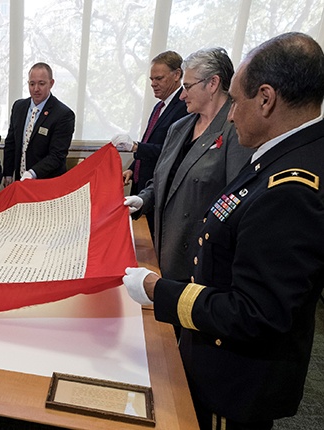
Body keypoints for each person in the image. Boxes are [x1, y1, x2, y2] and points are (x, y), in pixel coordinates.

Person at [123, 32, 324, 430]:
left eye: (238, 100)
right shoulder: (281, 154)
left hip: (236, 373)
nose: (231, 115)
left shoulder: (292, 186)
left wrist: (158, 290)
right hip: (208, 319)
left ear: (266, 99)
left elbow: (255, 312)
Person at [124, 48, 253, 283]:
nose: (182, 95)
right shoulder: (179, 127)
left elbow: (237, 204)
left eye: (188, 86)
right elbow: (163, 178)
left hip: (202, 257)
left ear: (213, 83)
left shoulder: (237, 132)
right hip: (166, 244)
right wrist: (144, 199)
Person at [112, 51, 189, 236]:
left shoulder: (184, 108)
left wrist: (136, 147)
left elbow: (173, 153)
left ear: (177, 75)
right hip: (142, 186)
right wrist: (132, 167)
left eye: (159, 78)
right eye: (151, 79)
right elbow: (149, 141)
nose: (153, 84)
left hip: (159, 190)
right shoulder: (160, 105)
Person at [2, 62, 75, 185]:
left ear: (51, 83)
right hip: (20, 182)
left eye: (41, 84)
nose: (36, 89)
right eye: (32, 84)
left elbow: (57, 155)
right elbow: (11, 143)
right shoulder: (19, 107)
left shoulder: (63, 114)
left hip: (47, 183)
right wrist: (8, 172)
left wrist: (32, 173)